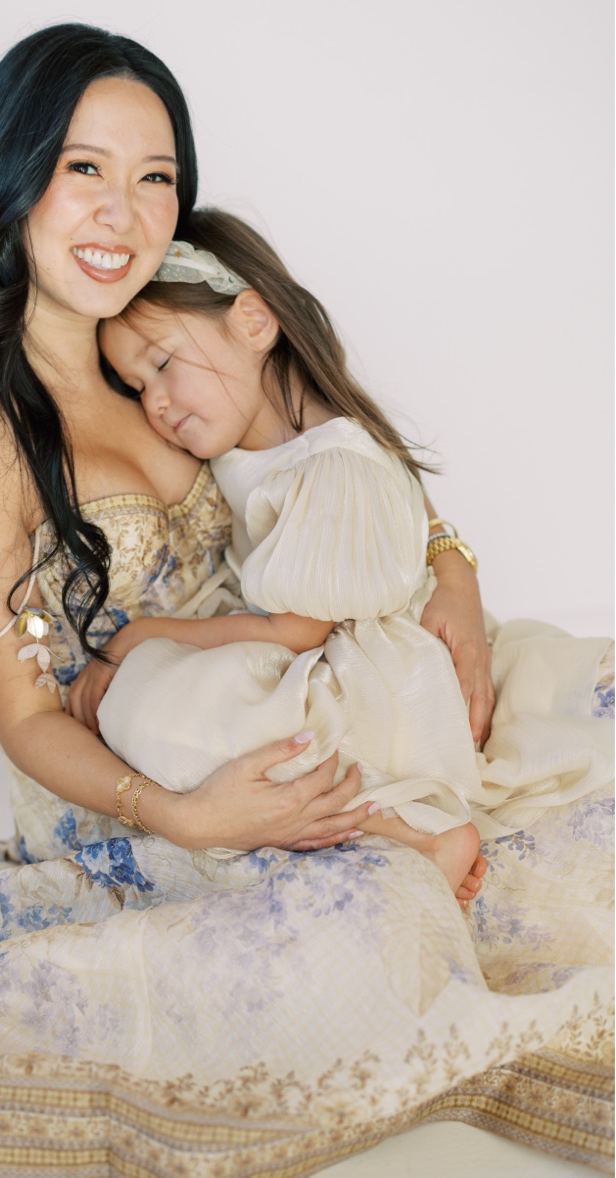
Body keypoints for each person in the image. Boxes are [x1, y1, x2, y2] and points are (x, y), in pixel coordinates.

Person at [0, 25, 611, 1178]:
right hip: (166, 771)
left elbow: (340, 451)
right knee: (378, 923)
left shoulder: (172, 342)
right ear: (12, 174)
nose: (125, 215)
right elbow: (32, 725)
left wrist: (453, 563)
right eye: (83, 169)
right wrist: (185, 817)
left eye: (157, 180)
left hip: (326, 687)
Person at [75, 209, 611, 903]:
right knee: (162, 694)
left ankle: (408, 827)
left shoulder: (329, 462)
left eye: (163, 364)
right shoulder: (263, 443)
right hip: (328, 650)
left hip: (367, 679)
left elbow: (297, 631)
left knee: (154, 700)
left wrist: (145, 634)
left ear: (254, 322)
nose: (157, 403)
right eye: (138, 386)